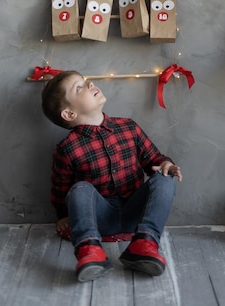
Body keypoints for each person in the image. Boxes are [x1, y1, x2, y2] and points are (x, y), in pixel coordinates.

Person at [41, 70, 182, 283]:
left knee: (163, 178)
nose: (89, 85)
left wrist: (165, 163)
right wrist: (62, 215)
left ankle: (145, 243)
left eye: (86, 81)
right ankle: (89, 249)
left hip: (136, 214)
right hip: (99, 218)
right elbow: (60, 188)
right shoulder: (67, 148)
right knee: (80, 189)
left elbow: (153, 159)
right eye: (79, 87)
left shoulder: (128, 127)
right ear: (69, 114)